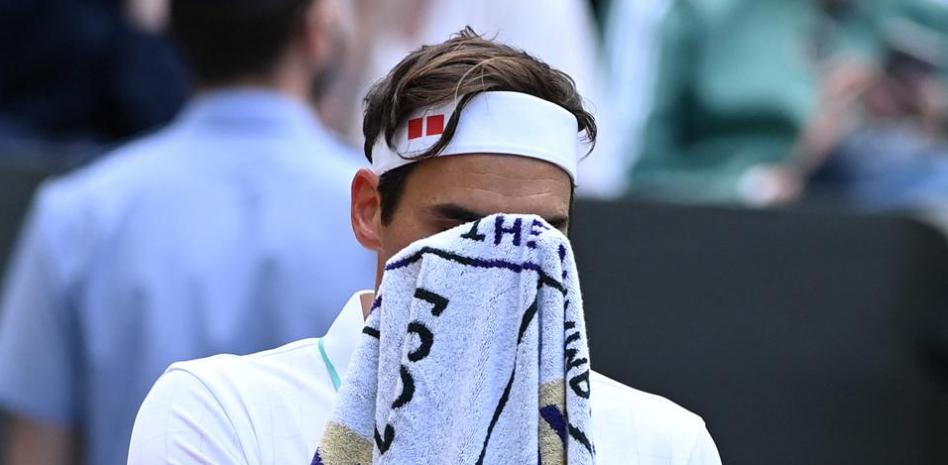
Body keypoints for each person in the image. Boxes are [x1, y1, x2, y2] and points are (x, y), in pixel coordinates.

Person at [127, 29, 722, 465]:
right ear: (369, 211)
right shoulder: (219, 412)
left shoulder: (665, 443)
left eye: (538, 236)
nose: (500, 261)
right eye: (459, 225)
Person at [0, 1, 374, 465]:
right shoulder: (382, 216)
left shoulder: (78, 216)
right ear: (316, 37)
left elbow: (37, 451)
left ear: (173, 36)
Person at [628, 0, 889, 204]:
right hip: (735, 224)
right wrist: (756, 187)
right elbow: (645, 179)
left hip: (876, 213)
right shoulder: (701, 14)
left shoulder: (887, 19)